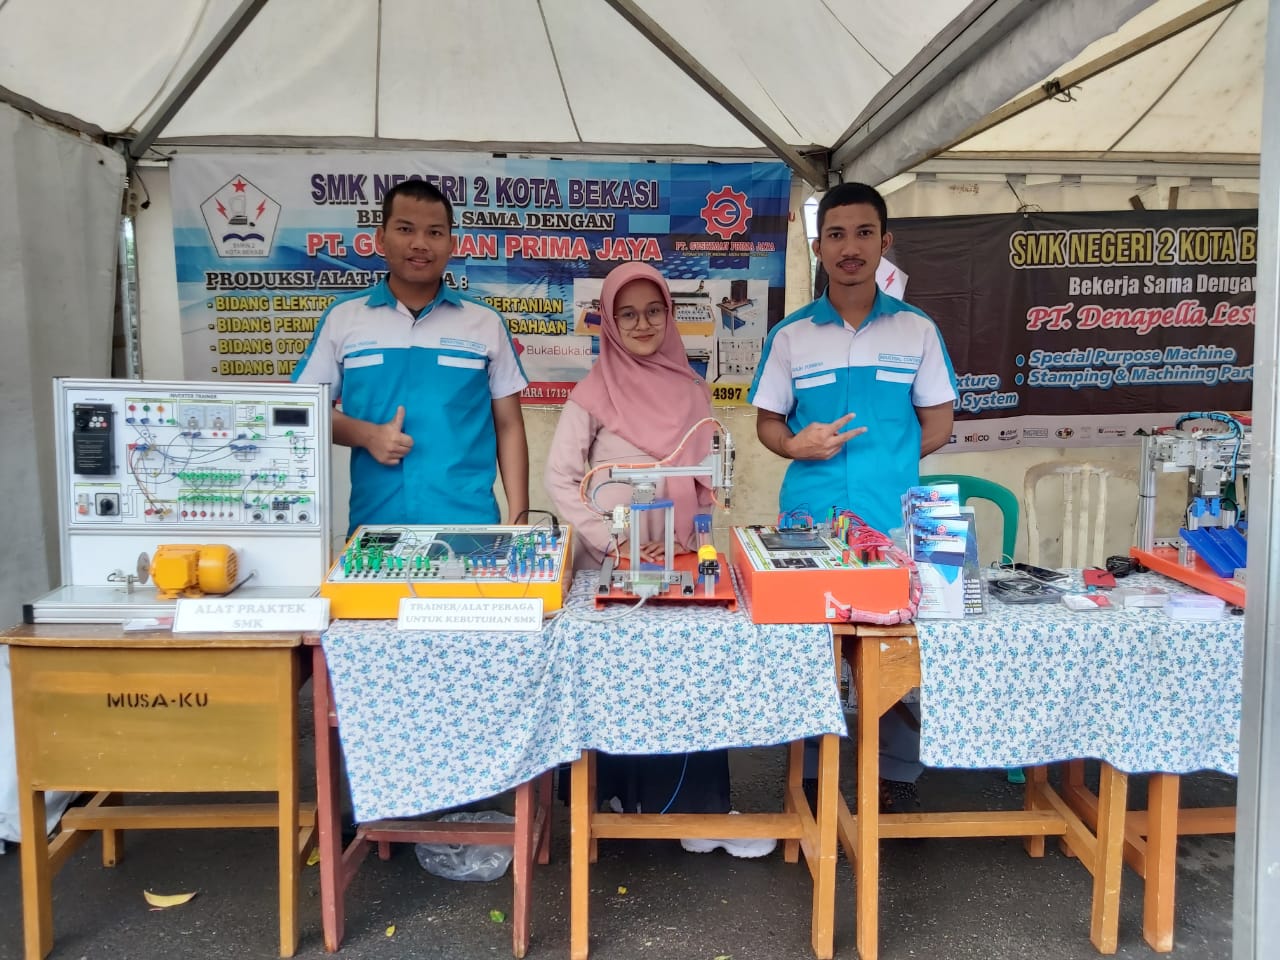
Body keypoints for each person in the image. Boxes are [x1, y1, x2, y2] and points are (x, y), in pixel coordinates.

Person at [544, 262, 774, 858]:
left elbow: (705, 486)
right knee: (618, 680)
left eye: (653, 311)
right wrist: (614, 542)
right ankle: (621, 798)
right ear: (609, 321)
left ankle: (698, 814)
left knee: (691, 675)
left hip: (678, 561)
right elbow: (562, 479)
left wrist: (693, 545)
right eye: (627, 313)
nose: (642, 323)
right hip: (613, 562)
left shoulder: (694, 392)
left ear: (670, 316)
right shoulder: (592, 393)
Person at [749, 181, 957, 813]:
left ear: (883, 241)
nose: (849, 248)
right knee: (816, 650)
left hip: (891, 518)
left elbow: (939, 422)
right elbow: (767, 423)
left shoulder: (917, 330)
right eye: (836, 235)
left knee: (894, 647)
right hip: (809, 519)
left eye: (864, 233)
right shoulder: (791, 335)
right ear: (818, 247)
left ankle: (896, 770)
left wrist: (890, 461)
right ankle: (813, 773)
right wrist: (795, 445)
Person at [293, 180, 529, 533]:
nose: (420, 243)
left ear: (452, 244)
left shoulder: (485, 323)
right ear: (380, 238)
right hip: (376, 526)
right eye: (405, 229)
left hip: (470, 525)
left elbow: (508, 425)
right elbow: (303, 412)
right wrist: (367, 435)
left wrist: (519, 518)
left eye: (434, 232)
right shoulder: (344, 319)